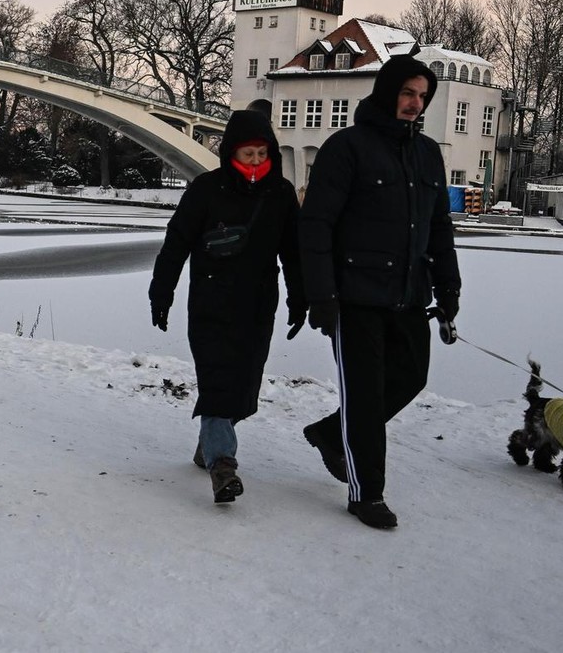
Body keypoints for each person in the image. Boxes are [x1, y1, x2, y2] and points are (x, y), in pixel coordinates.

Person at [297, 52, 461, 529]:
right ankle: (366, 493)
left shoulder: (428, 153)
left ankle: (333, 432)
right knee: (365, 396)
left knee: (411, 376)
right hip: (354, 297)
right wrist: (321, 295)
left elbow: (439, 229)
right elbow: (317, 224)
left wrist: (448, 288)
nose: (414, 104)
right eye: (408, 93)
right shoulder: (345, 147)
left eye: (422, 97)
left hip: (410, 293)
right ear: (387, 92)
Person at [149, 110, 306, 504]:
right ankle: (223, 464)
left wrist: (299, 297)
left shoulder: (281, 194)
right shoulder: (206, 189)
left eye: (260, 153)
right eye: (247, 154)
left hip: (257, 307)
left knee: (244, 387)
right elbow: (176, 243)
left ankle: (209, 442)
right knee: (218, 381)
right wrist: (161, 292)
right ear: (229, 153)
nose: (255, 162)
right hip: (210, 304)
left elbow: (294, 253)